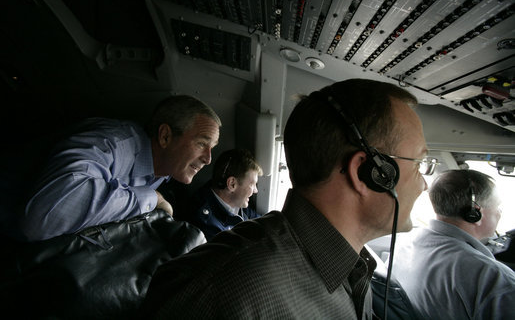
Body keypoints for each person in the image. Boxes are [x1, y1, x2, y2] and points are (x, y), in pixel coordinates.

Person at [141, 79, 430, 319]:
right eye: (418, 164)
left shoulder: (353, 268)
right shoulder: (222, 294)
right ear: (369, 173)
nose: (424, 184)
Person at [17, 95, 221, 242]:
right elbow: (41, 216)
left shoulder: (164, 172)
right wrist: (153, 198)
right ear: (165, 136)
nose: (208, 159)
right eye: (202, 144)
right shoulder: (112, 143)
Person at [392, 169, 515, 319]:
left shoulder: (405, 245)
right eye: (497, 207)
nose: (499, 214)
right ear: (475, 214)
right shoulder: (494, 278)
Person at [187, 148, 262, 241]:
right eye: (252, 184)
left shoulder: (237, 202)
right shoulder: (205, 223)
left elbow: (261, 224)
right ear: (232, 184)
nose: (256, 191)